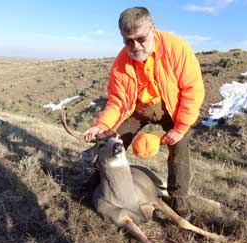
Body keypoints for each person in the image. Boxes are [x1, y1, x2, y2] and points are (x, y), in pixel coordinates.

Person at [84, 6, 204, 218]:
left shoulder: (177, 49)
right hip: (138, 109)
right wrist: (101, 126)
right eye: (128, 41)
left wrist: (181, 127)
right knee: (109, 141)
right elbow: (117, 101)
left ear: (152, 29)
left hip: (171, 109)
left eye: (140, 38)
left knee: (180, 150)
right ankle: (96, 184)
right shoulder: (121, 63)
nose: (135, 46)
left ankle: (179, 201)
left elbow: (192, 90)